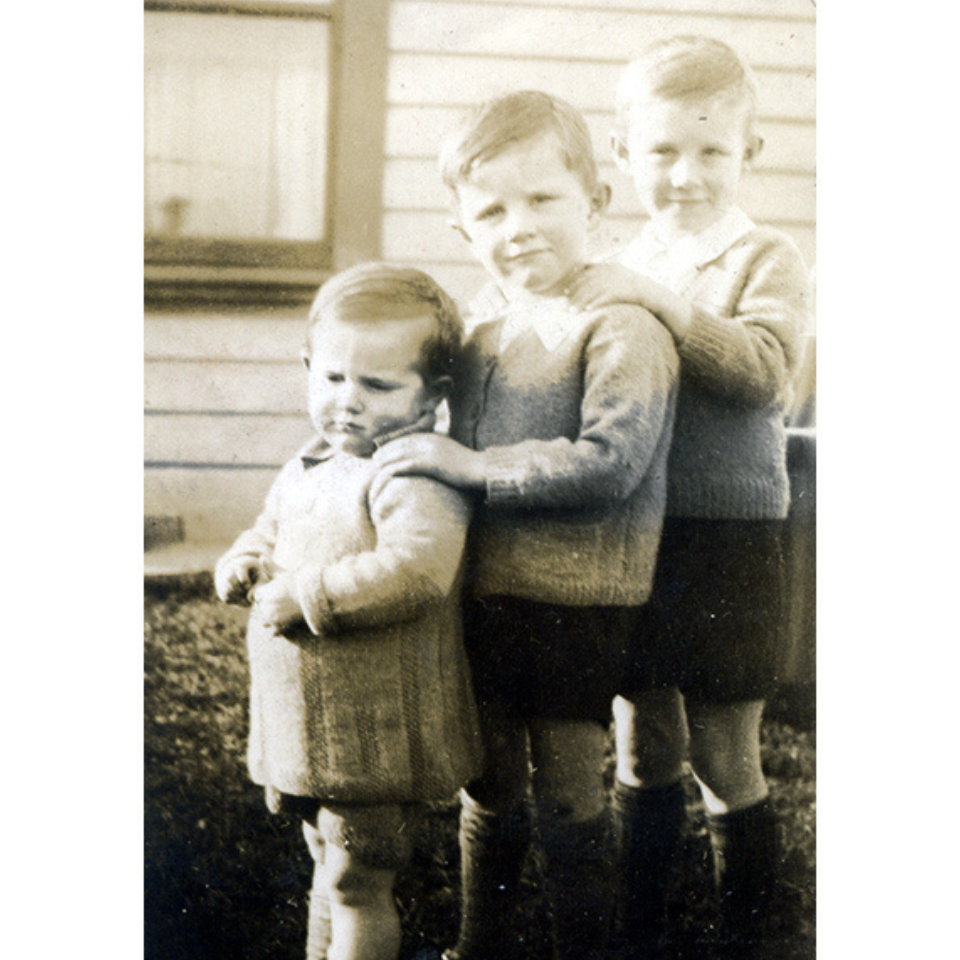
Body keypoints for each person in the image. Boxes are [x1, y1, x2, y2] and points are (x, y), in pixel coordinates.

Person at [373, 90, 679, 960]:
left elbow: (611, 462)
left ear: (596, 202)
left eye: (543, 199)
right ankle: (482, 943)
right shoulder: (482, 326)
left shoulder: (621, 325)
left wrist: (477, 469)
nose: (521, 227)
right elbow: (444, 441)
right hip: (487, 590)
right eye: (493, 210)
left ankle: (585, 946)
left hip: (582, 598)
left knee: (572, 789)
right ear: (464, 230)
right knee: (491, 777)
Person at [564, 35, 812, 960]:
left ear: (750, 153)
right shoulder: (621, 262)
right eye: (662, 151)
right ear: (624, 157)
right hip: (634, 531)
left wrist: (658, 304)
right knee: (641, 746)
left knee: (722, 753)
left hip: (730, 540)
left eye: (712, 150)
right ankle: (641, 933)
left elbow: (761, 372)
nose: (686, 174)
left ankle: (751, 937)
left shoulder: (766, 256)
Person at [214, 263, 484, 960]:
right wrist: (243, 559)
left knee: (359, 878)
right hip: (309, 726)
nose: (347, 403)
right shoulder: (309, 462)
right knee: (326, 870)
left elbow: (416, 570)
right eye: (332, 378)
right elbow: (269, 529)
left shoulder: (414, 471)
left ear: (432, 398)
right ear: (309, 367)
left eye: (378, 385)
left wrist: (309, 594)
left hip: (374, 731)